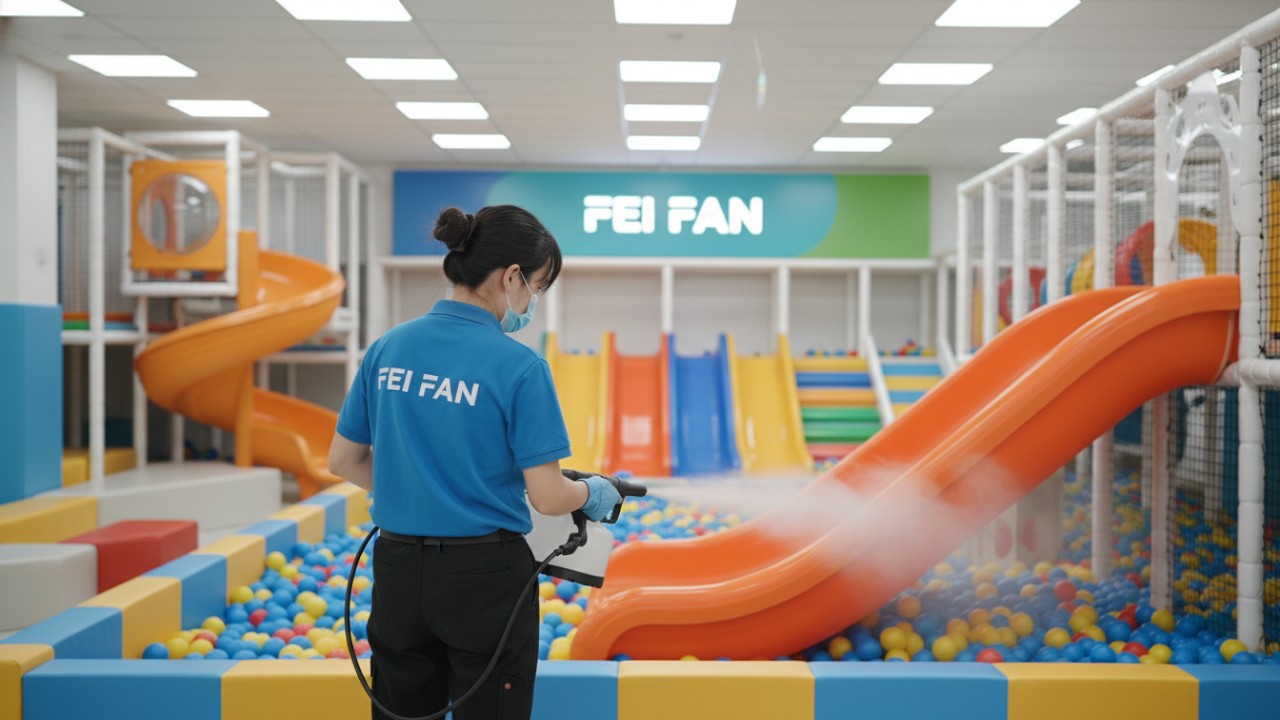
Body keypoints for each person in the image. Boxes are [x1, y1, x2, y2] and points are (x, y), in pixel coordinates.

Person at [327, 205, 622, 720]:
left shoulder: (387, 349)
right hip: (485, 577)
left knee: (400, 710)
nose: (533, 301)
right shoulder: (520, 365)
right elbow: (549, 496)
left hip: (397, 570)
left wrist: (419, 492)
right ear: (511, 277)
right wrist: (593, 493)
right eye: (537, 286)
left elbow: (344, 459)